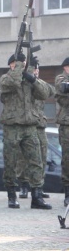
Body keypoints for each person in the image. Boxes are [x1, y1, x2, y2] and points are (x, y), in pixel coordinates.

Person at [0, 52, 51, 210]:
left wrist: (33, 79)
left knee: (36, 162)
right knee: (11, 163)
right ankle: (12, 196)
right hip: (12, 126)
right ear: (12, 65)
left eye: (23, 63)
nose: (21, 66)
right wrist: (20, 70)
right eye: (18, 63)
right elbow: (12, 83)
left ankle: (36, 196)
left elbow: (45, 93)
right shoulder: (6, 78)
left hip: (29, 125)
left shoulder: (28, 80)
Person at [17, 57, 55, 199]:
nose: (37, 72)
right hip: (27, 124)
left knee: (42, 157)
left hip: (40, 125)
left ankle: (38, 186)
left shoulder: (39, 84)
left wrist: (34, 80)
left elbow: (50, 91)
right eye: (34, 69)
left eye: (38, 69)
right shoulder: (24, 84)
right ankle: (24, 185)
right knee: (24, 157)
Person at [55, 57, 69, 207]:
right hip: (67, 124)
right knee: (67, 159)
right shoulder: (61, 78)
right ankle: (67, 193)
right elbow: (63, 93)